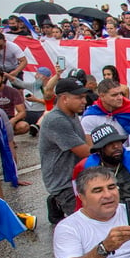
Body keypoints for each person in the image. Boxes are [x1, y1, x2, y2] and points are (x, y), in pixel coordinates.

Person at [39, 78, 90, 223]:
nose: (84, 101)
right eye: (79, 97)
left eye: (84, 97)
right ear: (64, 98)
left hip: (76, 175)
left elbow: (85, 141)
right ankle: (58, 200)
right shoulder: (56, 120)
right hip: (64, 183)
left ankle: (56, 202)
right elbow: (84, 151)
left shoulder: (71, 114)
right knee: (87, 222)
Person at [81, 78, 130, 146]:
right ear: (102, 96)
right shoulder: (90, 116)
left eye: (120, 94)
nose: (120, 98)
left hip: (125, 154)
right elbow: (90, 147)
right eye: (114, 95)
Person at [0, 66, 28, 136]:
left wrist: (13, 120)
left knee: (24, 126)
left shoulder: (12, 91)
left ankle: (7, 137)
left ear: (2, 78)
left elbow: (22, 112)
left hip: (8, 118)